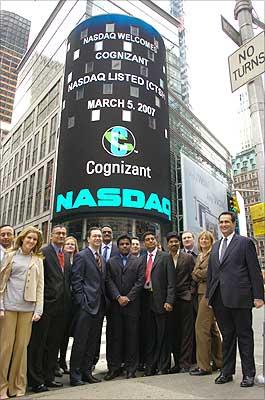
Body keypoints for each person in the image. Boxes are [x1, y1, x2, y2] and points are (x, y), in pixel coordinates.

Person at [206, 211, 264, 387]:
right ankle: (227, 372)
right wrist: (209, 297)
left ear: (233, 224)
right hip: (219, 299)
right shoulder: (215, 246)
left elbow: (254, 271)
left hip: (240, 298)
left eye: (226, 222)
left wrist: (259, 296)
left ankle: (248, 374)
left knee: (244, 336)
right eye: (221, 222)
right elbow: (212, 274)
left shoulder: (245, 243)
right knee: (228, 337)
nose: (223, 225)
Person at [0, 226, 44, 399]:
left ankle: (17, 386)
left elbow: (40, 287)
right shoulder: (10, 256)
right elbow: (2, 283)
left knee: (21, 349)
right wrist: (1, 306)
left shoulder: (38, 260)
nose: (31, 241)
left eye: (34, 239)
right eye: (29, 238)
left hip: (28, 309)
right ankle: (2, 387)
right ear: (22, 238)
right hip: (9, 308)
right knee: (5, 349)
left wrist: (38, 309)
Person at [27, 225, 71, 393]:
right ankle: (35, 380)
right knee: (39, 345)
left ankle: (48, 377)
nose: (61, 235)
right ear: (51, 235)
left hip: (62, 308)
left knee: (53, 345)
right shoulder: (43, 252)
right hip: (45, 306)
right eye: (58, 233)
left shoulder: (66, 255)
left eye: (63, 234)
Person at [70, 227, 108, 386]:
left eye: (100, 236)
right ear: (88, 239)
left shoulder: (102, 258)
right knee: (80, 342)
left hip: (99, 307)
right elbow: (76, 281)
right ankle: (75, 375)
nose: (98, 238)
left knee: (93, 342)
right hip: (86, 306)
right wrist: (82, 302)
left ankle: (87, 372)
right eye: (95, 236)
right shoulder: (81, 256)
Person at [105, 234, 145, 380]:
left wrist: (128, 297)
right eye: (121, 244)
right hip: (115, 306)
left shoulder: (139, 261)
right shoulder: (110, 262)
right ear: (118, 246)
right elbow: (108, 280)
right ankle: (114, 368)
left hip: (132, 306)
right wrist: (117, 296)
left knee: (132, 337)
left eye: (127, 244)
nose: (125, 246)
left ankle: (131, 369)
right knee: (115, 337)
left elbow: (140, 281)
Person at [140, 231, 175, 376]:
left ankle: (163, 366)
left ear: (156, 241)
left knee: (163, 335)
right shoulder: (141, 259)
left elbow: (171, 282)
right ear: (144, 243)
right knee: (150, 336)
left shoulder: (165, 257)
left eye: (152, 239)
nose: (150, 241)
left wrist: (169, 300)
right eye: (147, 240)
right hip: (146, 301)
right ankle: (151, 366)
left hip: (161, 301)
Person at [190, 230, 222, 376]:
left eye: (206, 239)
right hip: (200, 292)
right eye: (201, 239)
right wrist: (198, 273)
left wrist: (197, 273)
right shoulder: (199, 256)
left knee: (201, 328)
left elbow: (209, 273)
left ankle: (204, 366)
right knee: (212, 329)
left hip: (209, 293)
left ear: (211, 241)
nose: (203, 241)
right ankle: (219, 361)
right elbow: (196, 274)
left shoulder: (213, 254)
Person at [166, 232, 195, 373]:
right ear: (167, 244)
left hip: (185, 299)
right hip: (170, 301)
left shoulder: (188, 258)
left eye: (176, 241)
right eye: (171, 242)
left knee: (186, 333)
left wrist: (190, 293)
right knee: (174, 332)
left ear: (180, 243)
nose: (174, 244)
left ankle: (185, 363)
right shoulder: (164, 258)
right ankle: (177, 362)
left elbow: (193, 277)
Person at [56, 236, 79, 376]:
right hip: (60, 301)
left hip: (72, 303)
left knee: (66, 335)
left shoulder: (77, 259)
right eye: (68, 244)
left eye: (72, 244)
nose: (70, 246)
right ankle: (54, 362)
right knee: (57, 334)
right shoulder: (60, 258)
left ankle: (63, 361)